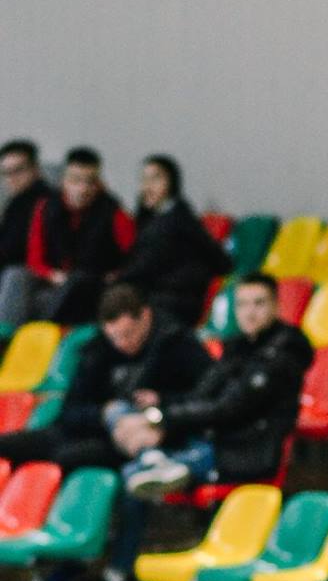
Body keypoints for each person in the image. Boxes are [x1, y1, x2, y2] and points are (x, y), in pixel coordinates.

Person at [118, 273, 311, 501]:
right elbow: (203, 393)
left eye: (259, 303)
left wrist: (161, 417)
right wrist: (161, 405)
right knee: (128, 459)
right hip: (216, 442)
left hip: (247, 452)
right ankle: (161, 461)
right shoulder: (238, 347)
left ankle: (172, 465)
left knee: (136, 474)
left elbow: (229, 408)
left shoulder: (282, 355)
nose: (249, 313)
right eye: (242, 304)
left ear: (276, 306)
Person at [0, 282, 211, 476]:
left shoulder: (178, 343)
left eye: (128, 334)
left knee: (70, 456)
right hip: (93, 429)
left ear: (146, 315)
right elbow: (71, 411)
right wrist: (103, 413)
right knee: (10, 445)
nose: (122, 343)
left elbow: (208, 397)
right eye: (115, 337)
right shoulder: (98, 350)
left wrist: (161, 401)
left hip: (152, 431)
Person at [19, 146, 135, 327]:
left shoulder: (114, 213)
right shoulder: (46, 208)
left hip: (92, 287)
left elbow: (134, 259)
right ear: (63, 181)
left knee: (79, 280)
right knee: (15, 275)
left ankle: (44, 330)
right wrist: (54, 276)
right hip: (55, 282)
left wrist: (115, 275)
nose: (82, 189)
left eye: (90, 182)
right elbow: (34, 259)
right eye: (75, 180)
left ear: (98, 184)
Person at [113, 154, 230, 328]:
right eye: (144, 180)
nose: (147, 186)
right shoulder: (153, 218)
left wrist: (114, 282)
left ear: (172, 182)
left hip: (174, 302)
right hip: (157, 296)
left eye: (155, 179)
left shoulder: (177, 221)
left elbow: (145, 267)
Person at [0, 139, 53, 332]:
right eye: (6, 173)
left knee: (15, 276)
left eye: (18, 170)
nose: (12, 178)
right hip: (14, 271)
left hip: (34, 274)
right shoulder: (15, 203)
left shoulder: (47, 202)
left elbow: (15, 250)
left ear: (35, 169)